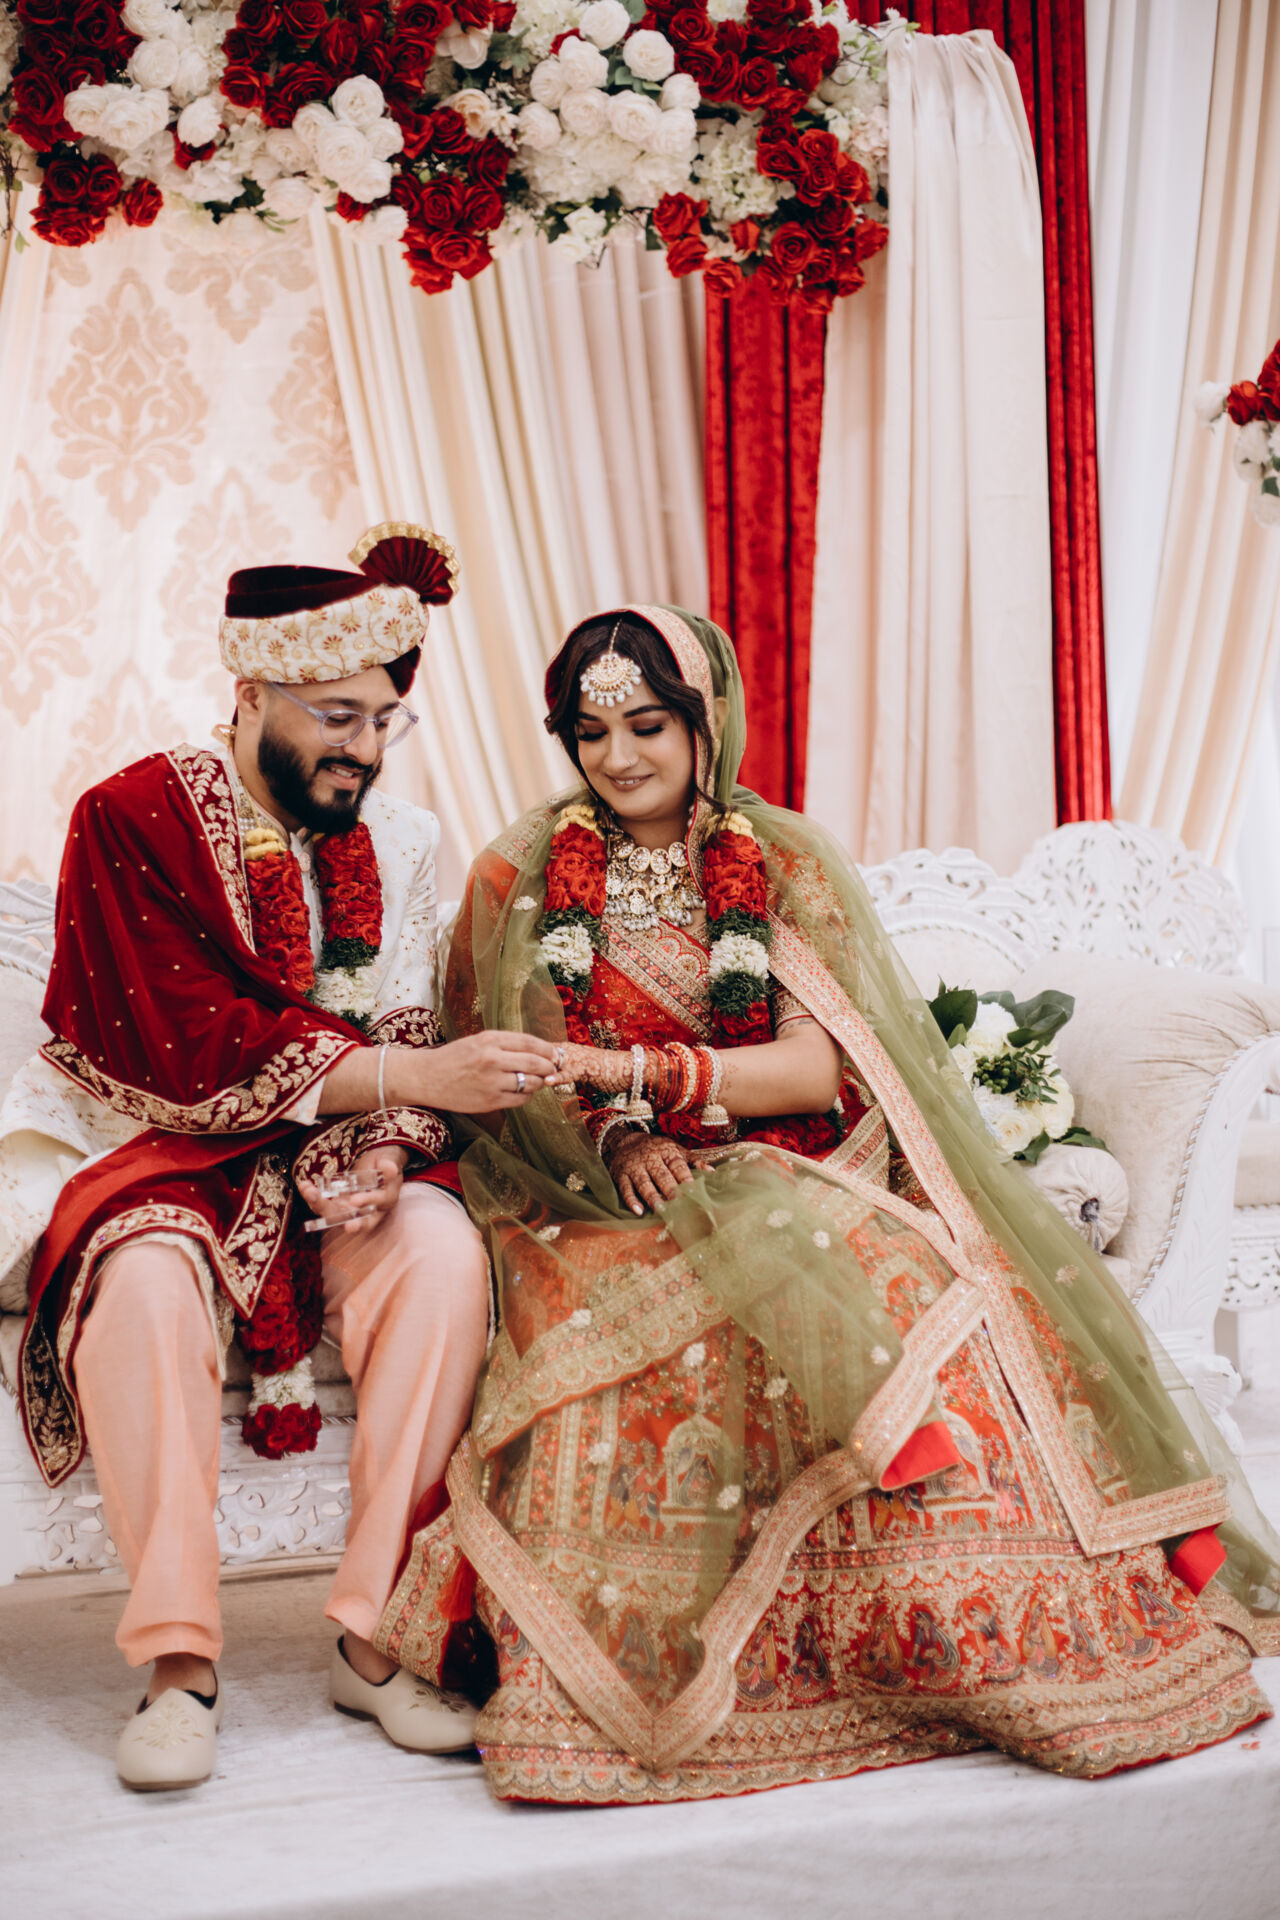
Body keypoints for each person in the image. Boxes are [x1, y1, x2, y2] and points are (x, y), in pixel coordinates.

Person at [373, 604, 1280, 1805]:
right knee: (676, 1312)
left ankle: (946, 1637)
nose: (618, 758)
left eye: (646, 726)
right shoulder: (522, 875)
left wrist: (647, 1079)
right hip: (587, 1194)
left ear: (707, 722)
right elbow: (509, 1070)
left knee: (901, 1278)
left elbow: (809, 1074)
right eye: (589, 733)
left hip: (781, 1163)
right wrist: (618, 1131)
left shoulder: (779, 859)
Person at [1, 525, 561, 1791]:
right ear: (251, 693)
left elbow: (402, 1023)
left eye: (384, 720)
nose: (363, 748)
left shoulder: (401, 842)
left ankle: (375, 1641)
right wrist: (409, 1085)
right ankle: (178, 1664)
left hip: (336, 1154)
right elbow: (177, 1034)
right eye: (336, 716)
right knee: (143, 1287)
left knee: (440, 1255)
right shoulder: (131, 817)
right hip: (153, 1145)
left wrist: (390, 1146)